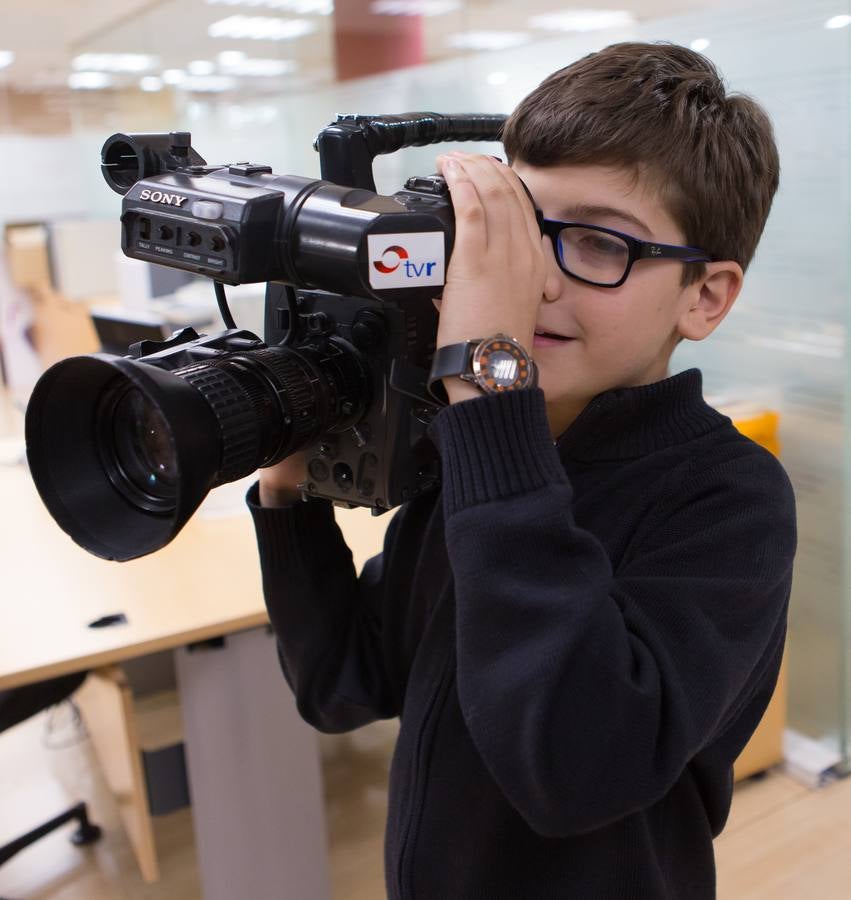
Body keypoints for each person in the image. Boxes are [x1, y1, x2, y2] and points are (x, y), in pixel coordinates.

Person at [246, 42, 797, 899]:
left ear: (704, 297)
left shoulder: (729, 499)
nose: (528, 280)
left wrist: (487, 384)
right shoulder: (468, 452)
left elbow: (573, 771)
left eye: (592, 242)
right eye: (512, 233)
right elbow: (342, 686)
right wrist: (287, 490)